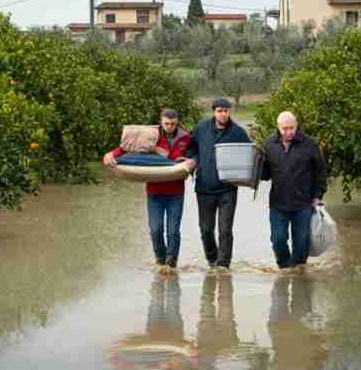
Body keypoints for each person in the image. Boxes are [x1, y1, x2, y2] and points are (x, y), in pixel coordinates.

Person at [104, 108, 195, 270]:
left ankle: (171, 264)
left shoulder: (186, 138)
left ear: (177, 122)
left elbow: (195, 154)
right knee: (155, 230)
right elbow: (126, 148)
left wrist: (191, 161)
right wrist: (110, 154)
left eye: (173, 124)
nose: (169, 127)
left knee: (173, 231)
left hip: (176, 193)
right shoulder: (150, 135)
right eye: (166, 123)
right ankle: (160, 262)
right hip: (154, 193)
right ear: (161, 122)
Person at [187, 98, 251, 271]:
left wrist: (248, 177)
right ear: (214, 112)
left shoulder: (238, 132)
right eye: (219, 111)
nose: (223, 114)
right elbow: (191, 147)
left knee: (225, 230)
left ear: (230, 112)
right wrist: (193, 161)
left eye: (226, 110)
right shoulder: (201, 128)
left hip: (228, 190)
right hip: (204, 188)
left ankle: (223, 265)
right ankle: (212, 260)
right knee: (206, 230)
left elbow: (249, 154)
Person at [260, 111, 327, 270]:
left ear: (296, 126)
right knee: (278, 240)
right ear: (278, 127)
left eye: (291, 128)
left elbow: (321, 171)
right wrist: (255, 168)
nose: (288, 132)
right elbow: (265, 175)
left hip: (303, 203)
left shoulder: (310, 144)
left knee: (302, 242)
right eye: (284, 129)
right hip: (278, 204)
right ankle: (284, 269)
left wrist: (318, 196)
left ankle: (298, 274)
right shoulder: (269, 144)